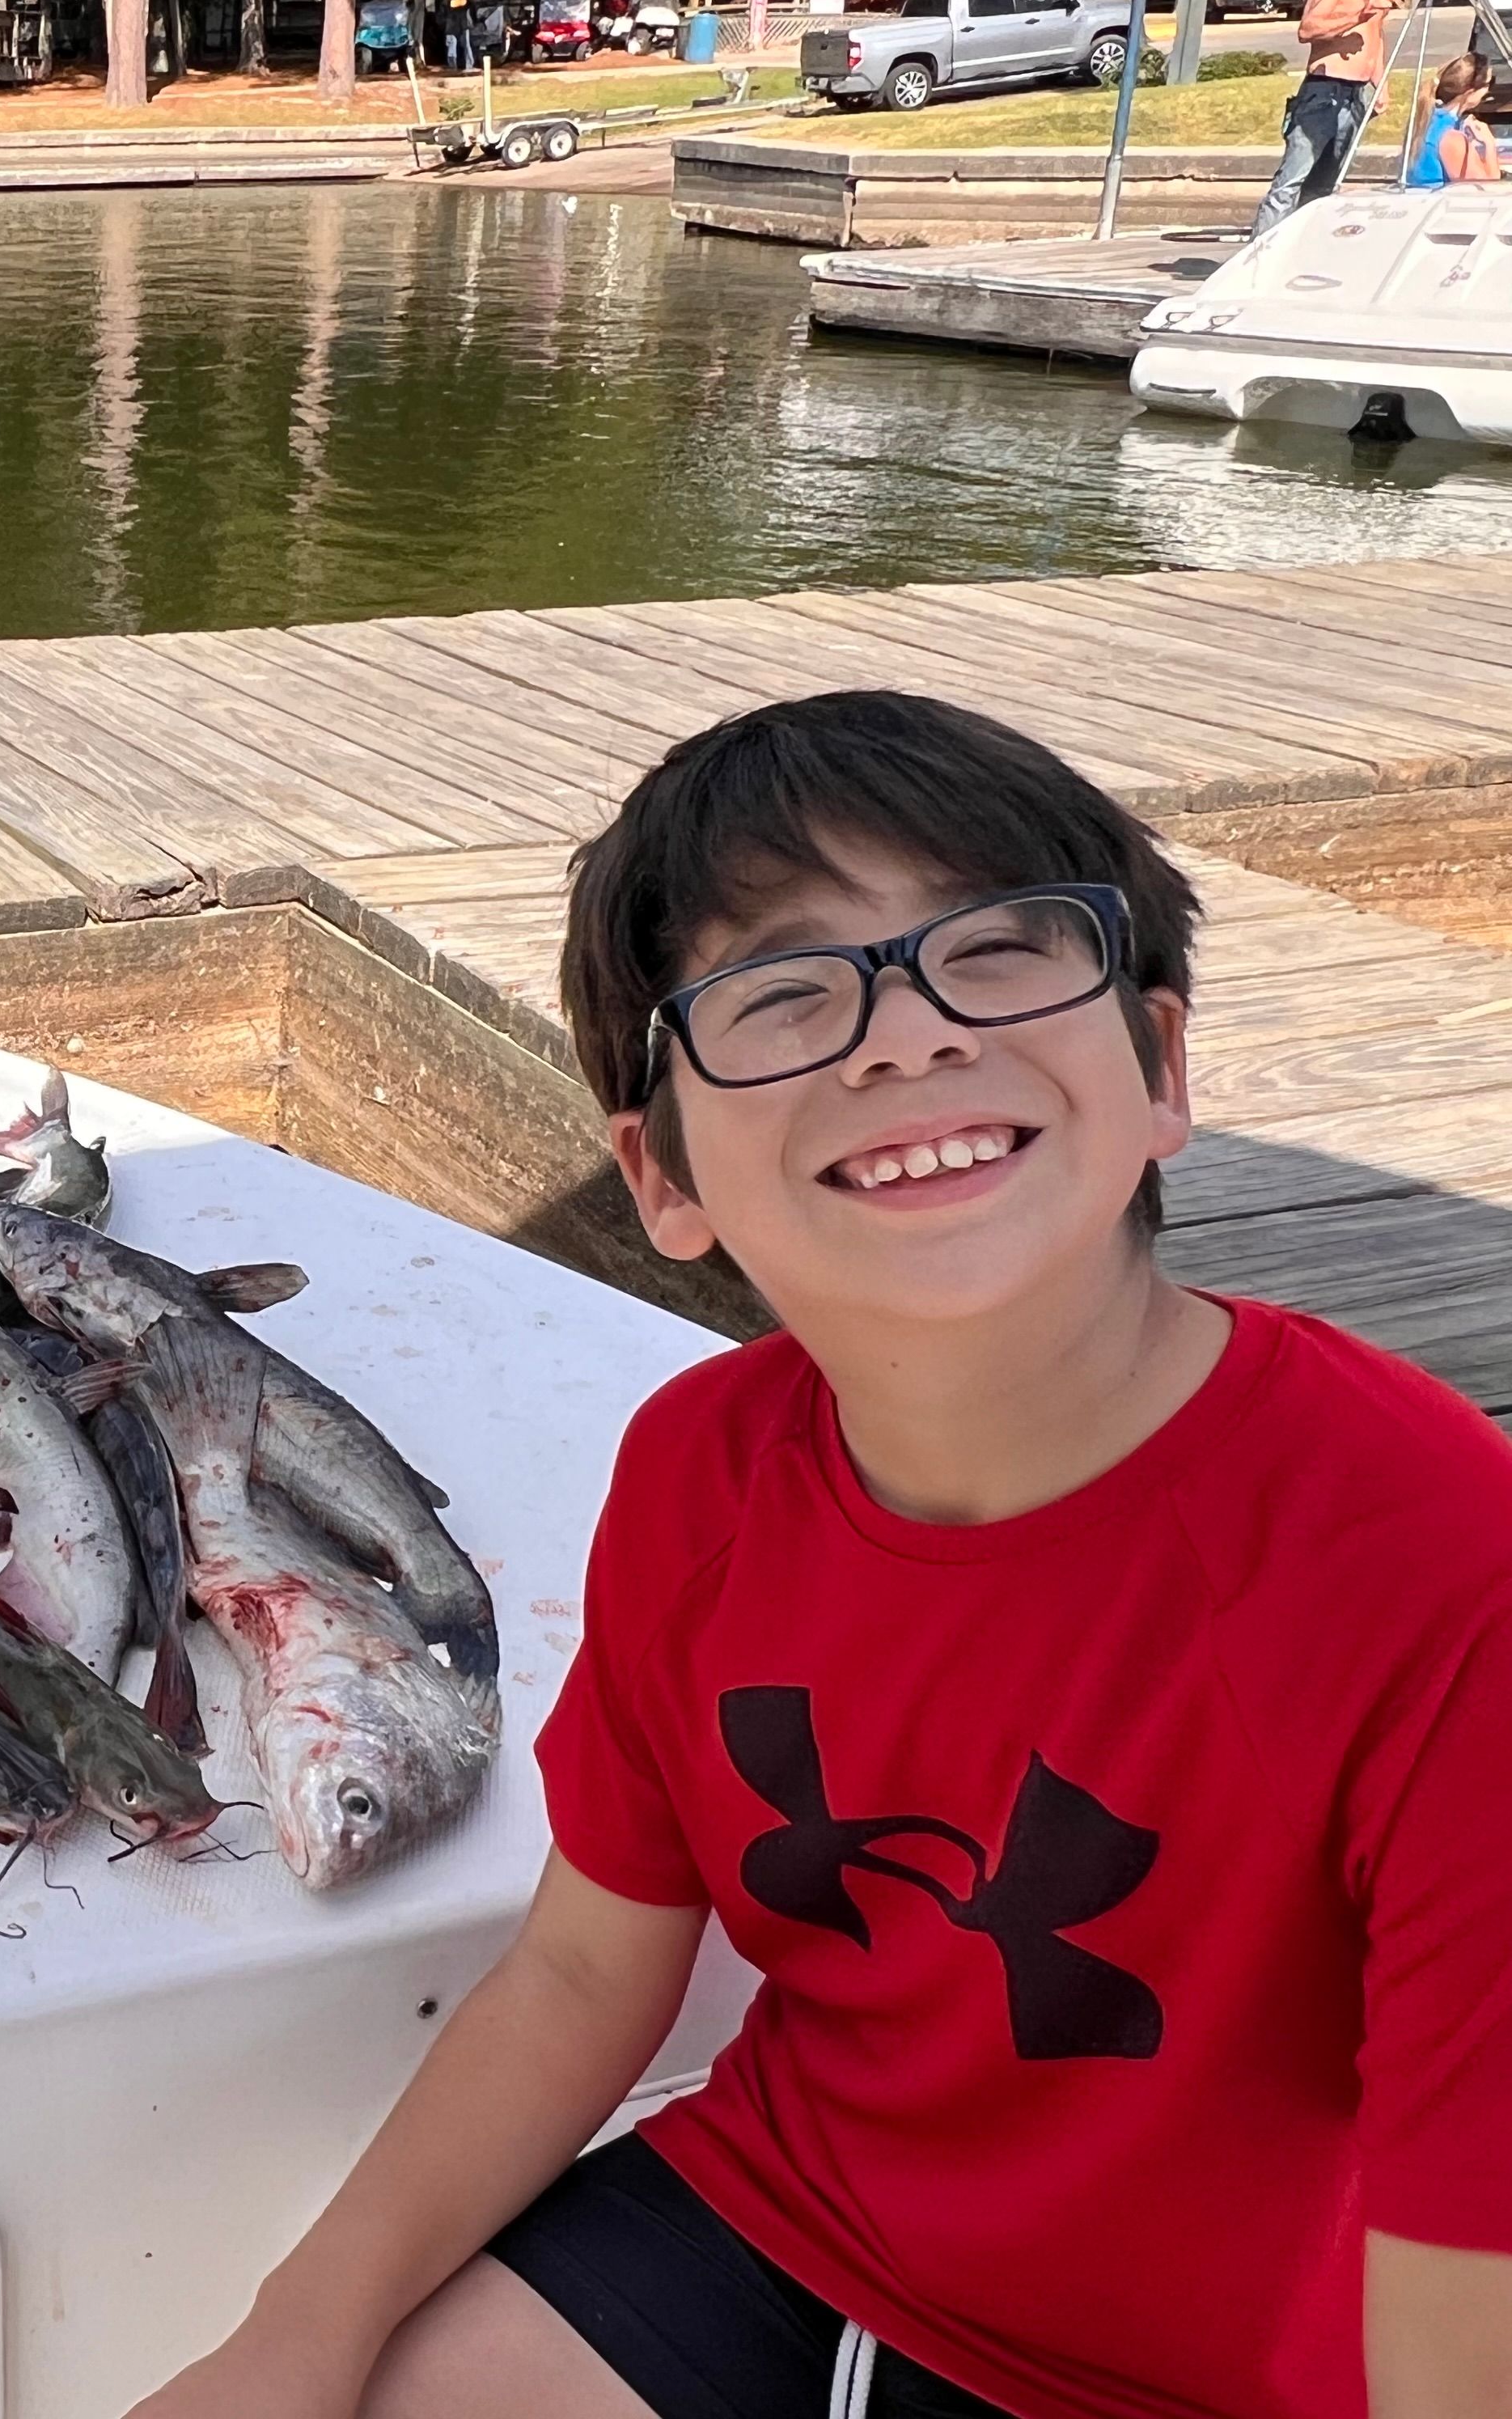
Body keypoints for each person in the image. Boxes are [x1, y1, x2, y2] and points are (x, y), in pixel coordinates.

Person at [125, 693, 1512, 2419]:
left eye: (998, 953)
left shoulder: (1439, 1567)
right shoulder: (705, 1472)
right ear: (661, 1178)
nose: (906, 1039)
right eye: (785, 993)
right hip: (794, 2229)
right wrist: (291, 2339)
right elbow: (579, 1969)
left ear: (1160, 1068)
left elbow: (1476, 2274)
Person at [1253, 0, 1397, 233]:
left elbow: (1376, 34)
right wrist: (1353, 19)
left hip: (1355, 93)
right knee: (1291, 182)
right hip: (1325, 89)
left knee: (1324, 186)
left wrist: (1381, 82)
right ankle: (1258, 255)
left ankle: (1302, 247)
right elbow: (1308, 28)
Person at [1411, 53, 1504, 188]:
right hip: (1437, 206)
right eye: (1489, 83)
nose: (1489, 90)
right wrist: (1489, 142)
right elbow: (1488, 190)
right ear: (1470, 92)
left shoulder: (1427, 119)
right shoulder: (1452, 138)